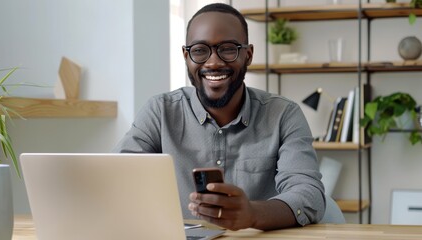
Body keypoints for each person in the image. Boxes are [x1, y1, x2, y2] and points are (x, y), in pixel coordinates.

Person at [114, 3, 325, 231]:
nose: (213, 62)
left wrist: (252, 214)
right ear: (186, 56)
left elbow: (309, 194)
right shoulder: (160, 112)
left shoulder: (284, 115)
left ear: (248, 55)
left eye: (227, 48)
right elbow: (115, 178)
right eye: (200, 50)